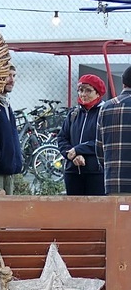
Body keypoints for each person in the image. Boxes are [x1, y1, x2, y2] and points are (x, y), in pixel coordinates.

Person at [58, 74, 106, 196]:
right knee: (74, 211)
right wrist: (72, 155)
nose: (83, 94)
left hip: (96, 172)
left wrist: (78, 149)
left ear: (98, 93)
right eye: (80, 90)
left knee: (95, 212)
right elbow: (62, 138)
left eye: (88, 90)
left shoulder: (104, 112)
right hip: (72, 171)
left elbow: (104, 140)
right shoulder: (73, 113)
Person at [98, 66, 131, 195]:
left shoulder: (106, 107)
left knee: (119, 215)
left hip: (115, 182)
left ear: (123, 83)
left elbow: (99, 148)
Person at [0, 65, 23, 194]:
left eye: (14, 76)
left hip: (9, 168)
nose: (11, 80)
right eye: (7, 75)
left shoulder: (5, 103)